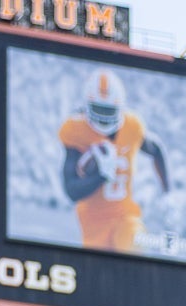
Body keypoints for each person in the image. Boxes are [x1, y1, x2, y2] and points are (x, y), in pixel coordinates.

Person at [59, 67, 169, 253]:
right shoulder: (75, 130)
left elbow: (156, 149)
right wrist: (101, 176)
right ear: (87, 106)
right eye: (98, 109)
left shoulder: (132, 126)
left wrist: (167, 192)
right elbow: (71, 190)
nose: (103, 116)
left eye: (108, 110)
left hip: (125, 216)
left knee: (134, 250)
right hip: (93, 225)